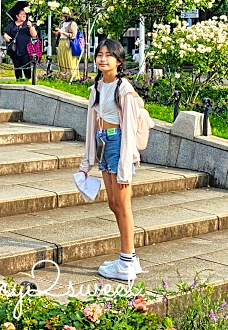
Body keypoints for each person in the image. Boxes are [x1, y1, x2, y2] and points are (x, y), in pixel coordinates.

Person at [77, 38, 143, 281]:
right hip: (104, 142)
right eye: (99, 54)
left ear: (119, 60)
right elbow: (91, 125)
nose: (103, 59)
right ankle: (130, 257)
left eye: (109, 55)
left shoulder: (123, 89)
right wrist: (87, 164)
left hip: (117, 145)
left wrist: (126, 168)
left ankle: (125, 262)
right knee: (113, 203)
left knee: (123, 205)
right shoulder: (97, 87)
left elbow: (128, 131)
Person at [4, 7, 37, 81]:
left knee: (26, 64)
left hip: (26, 49)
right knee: (17, 64)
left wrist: (31, 27)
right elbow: (6, 33)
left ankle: (28, 78)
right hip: (15, 48)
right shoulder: (12, 25)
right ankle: (18, 78)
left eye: (25, 14)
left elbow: (34, 34)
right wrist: (6, 36)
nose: (24, 16)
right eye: (22, 14)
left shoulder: (28, 24)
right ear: (17, 16)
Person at [56, 10, 81, 80]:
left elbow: (73, 35)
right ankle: (63, 75)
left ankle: (72, 76)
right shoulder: (62, 23)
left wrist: (62, 32)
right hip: (61, 42)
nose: (62, 17)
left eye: (63, 16)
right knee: (61, 58)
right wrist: (57, 32)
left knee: (69, 58)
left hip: (68, 43)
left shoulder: (72, 24)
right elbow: (60, 34)